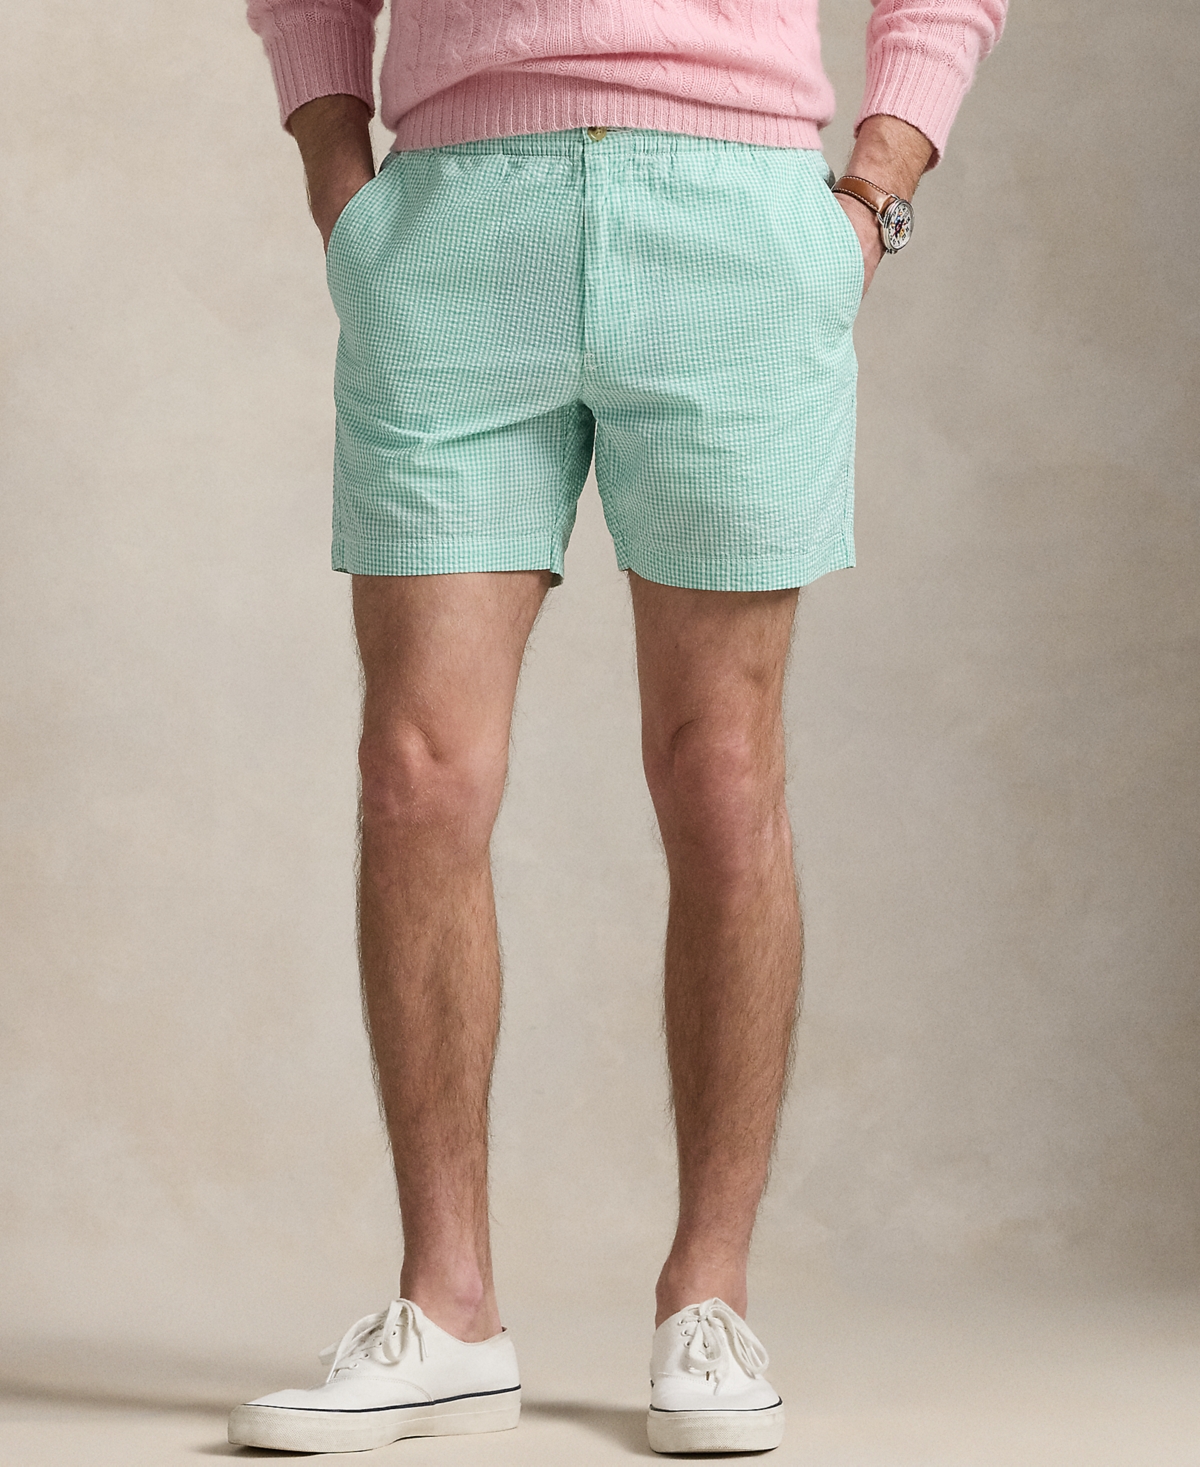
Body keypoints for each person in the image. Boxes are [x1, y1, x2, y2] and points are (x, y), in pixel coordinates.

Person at [228, 0, 1007, 1454]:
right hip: (454, 229)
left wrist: (871, 197)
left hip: (735, 220)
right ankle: (447, 1310)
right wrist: (341, 181)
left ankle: (710, 1296)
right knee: (416, 774)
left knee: (720, 774)